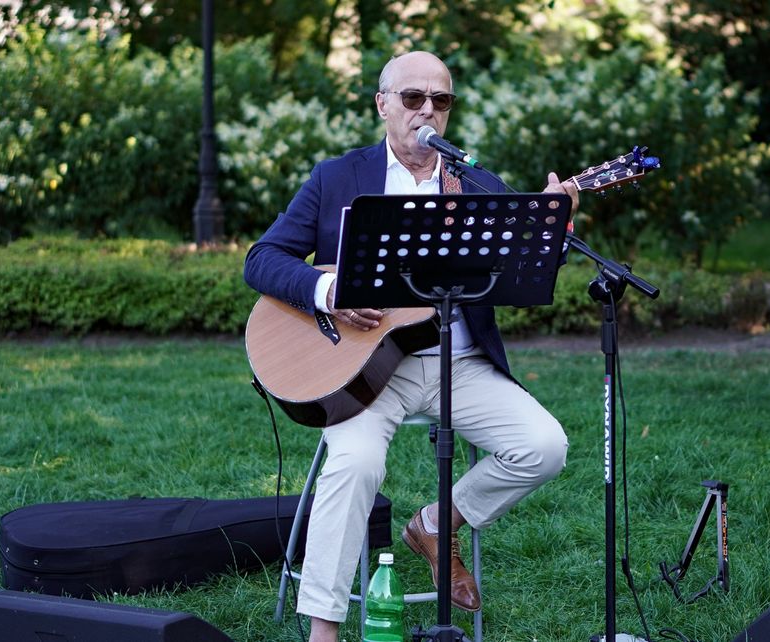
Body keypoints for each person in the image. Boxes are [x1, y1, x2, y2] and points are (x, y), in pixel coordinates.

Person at [243, 51, 579, 642]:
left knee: (544, 446)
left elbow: (519, 271)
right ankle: (324, 628)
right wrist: (327, 290)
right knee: (354, 464)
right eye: (412, 98)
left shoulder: (475, 183)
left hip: (462, 364)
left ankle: (432, 525)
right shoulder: (337, 177)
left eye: (440, 101)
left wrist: (550, 229)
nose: (427, 110)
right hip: (367, 369)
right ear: (382, 104)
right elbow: (261, 260)